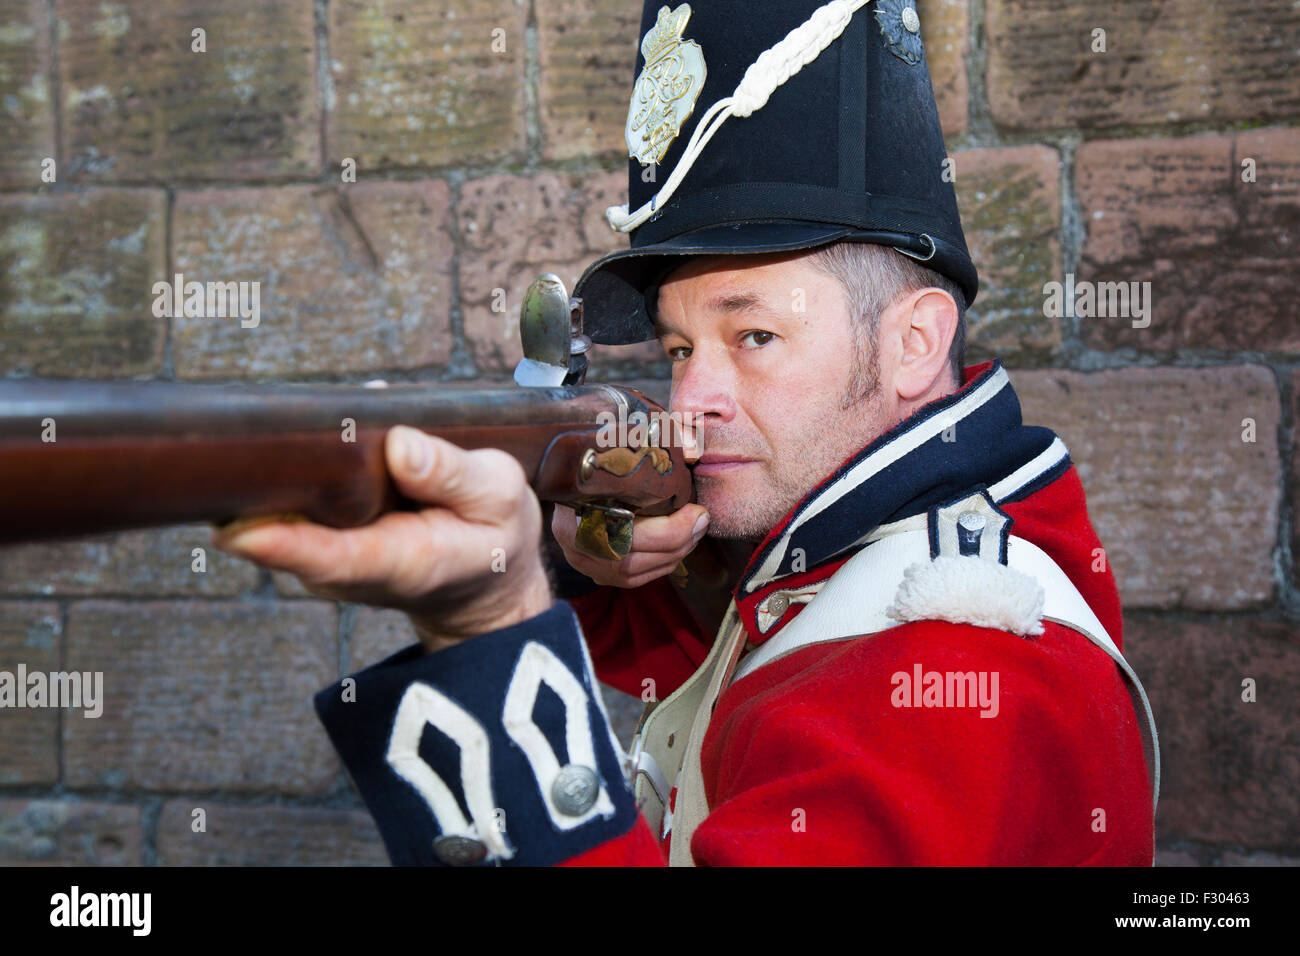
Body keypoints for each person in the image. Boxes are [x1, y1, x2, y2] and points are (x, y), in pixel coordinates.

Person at [213, 0, 1158, 866]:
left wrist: (481, 631)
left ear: (914, 342)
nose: (692, 398)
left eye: (754, 335)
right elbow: (687, 650)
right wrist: (574, 560)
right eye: (676, 346)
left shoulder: (957, 664)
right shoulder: (836, 545)